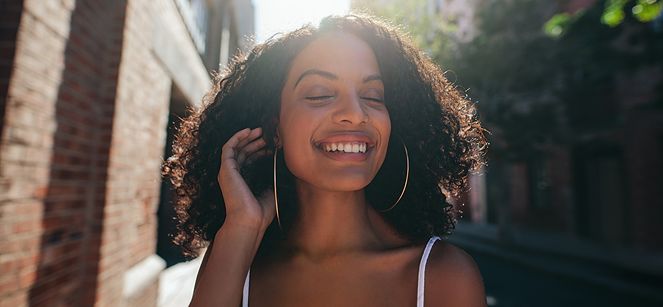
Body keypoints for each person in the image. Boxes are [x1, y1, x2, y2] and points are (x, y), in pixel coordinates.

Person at [163, 14, 488, 307]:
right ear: (275, 128)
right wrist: (242, 225)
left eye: (373, 96)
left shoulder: (443, 278)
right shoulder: (235, 262)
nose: (355, 114)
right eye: (320, 93)